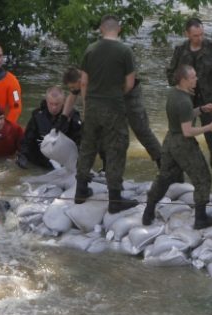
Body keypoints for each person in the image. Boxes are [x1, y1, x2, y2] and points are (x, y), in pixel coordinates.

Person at [142, 65, 212, 229]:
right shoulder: (184, 100)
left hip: (170, 140)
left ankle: (148, 211)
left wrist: (200, 109)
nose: (196, 79)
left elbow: (183, 116)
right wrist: (210, 127)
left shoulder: (174, 93)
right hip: (183, 144)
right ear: (184, 80)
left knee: (164, 177)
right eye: (193, 77)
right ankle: (201, 219)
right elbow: (187, 131)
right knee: (203, 178)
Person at [73, 15, 138, 213]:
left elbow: (83, 81)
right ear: (119, 29)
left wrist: (87, 103)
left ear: (101, 29)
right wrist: (117, 94)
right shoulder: (125, 51)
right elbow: (130, 83)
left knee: (88, 146)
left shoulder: (90, 50)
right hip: (114, 107)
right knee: (116, 148)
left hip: (92, 105)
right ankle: (115, 199)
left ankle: (81, 190)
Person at [166, 17, 212, 200]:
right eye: (195, 35)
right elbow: (170, 74)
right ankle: (176, 177)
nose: (199, 38)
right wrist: (180, 85)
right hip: (186, 102)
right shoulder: (180, 51)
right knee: (180, 139)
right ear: (187, 34)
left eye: (201, 34)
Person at [62, 66, 162, 168]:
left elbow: (88, 105)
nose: (73, 90)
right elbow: (73, 95)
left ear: (80, 81)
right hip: (110, 97)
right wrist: (64, 117)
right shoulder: (83, 79)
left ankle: (161, 161)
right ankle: (106, 166)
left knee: (140, 129)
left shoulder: (95, 79)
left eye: (73, 87)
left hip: (130, 92)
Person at [17, 86, 81, 169]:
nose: (54, 108)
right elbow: (27, 139)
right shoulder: (37, 115)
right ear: (46, 101)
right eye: (51, 104)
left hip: (63, 160)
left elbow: (80, 141)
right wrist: (23, 155)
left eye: (57, 104)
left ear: (63, 102)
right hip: (41, 160)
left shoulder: (72, 116)